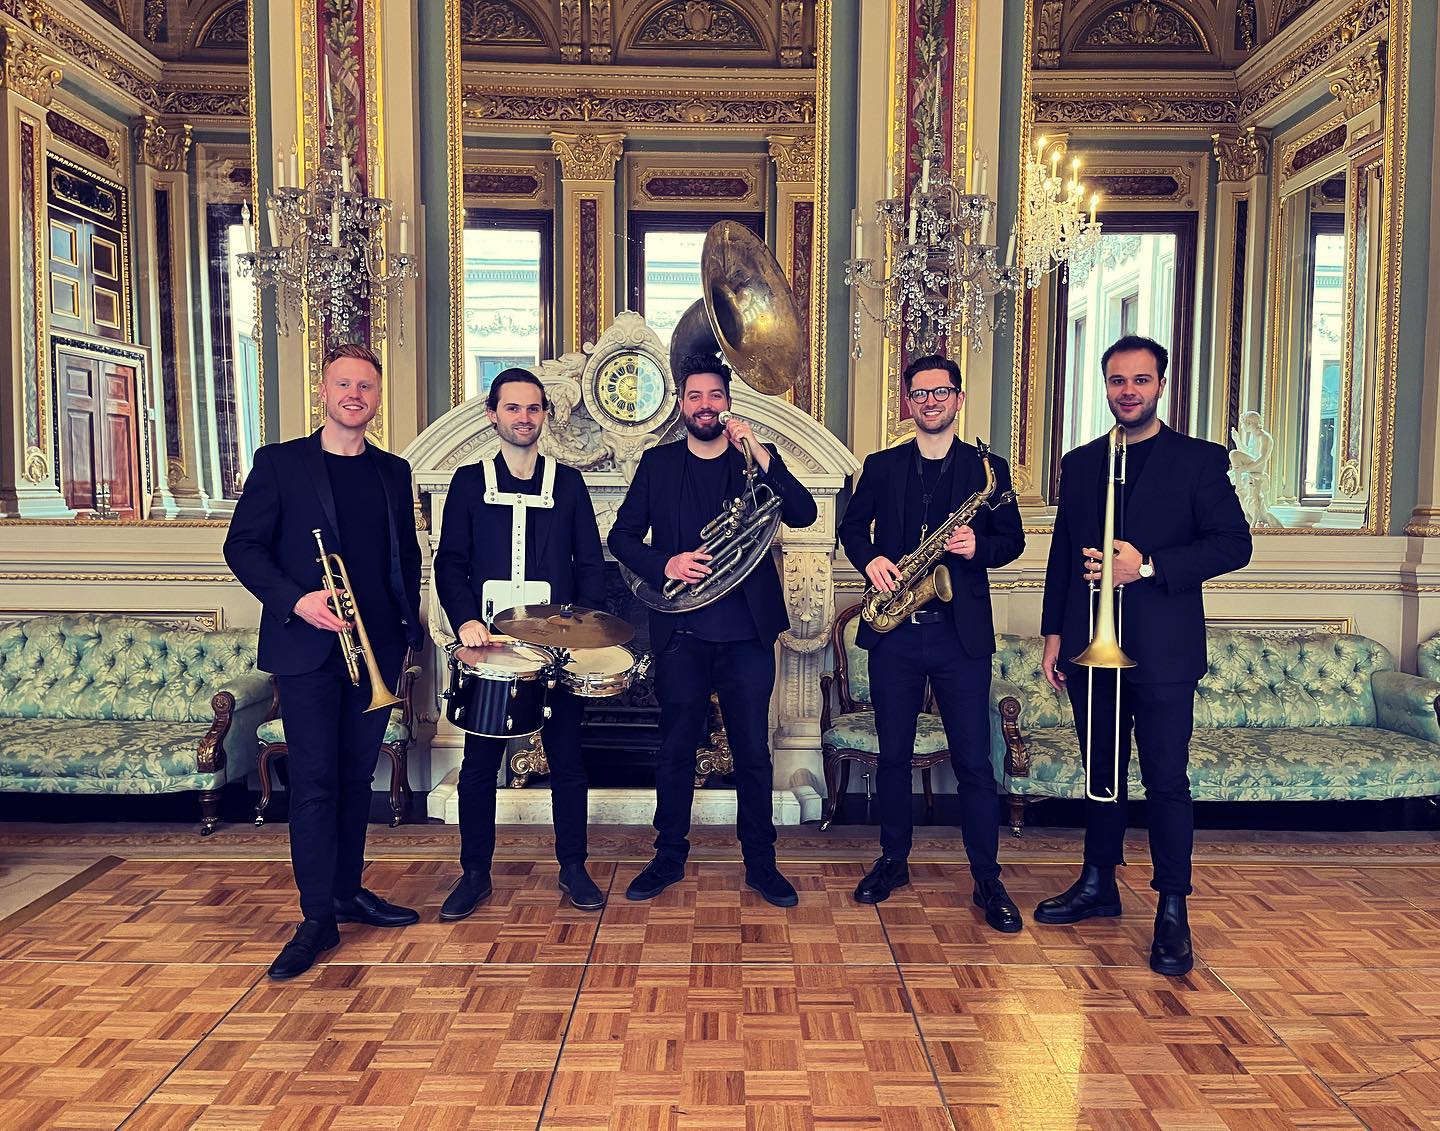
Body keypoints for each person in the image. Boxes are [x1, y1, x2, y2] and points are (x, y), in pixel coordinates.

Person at [1036, 333, 1252, 976]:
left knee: (1165, 781)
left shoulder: (1199, 461)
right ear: (1105, 387)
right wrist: (1054, 634)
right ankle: (1098, 883)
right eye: (1116, 381)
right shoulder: (1079, 464)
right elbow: (1061, 558)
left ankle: (1172, 909)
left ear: (1161, 384)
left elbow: (1233, 545)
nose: (1127, 391)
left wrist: (1148, 567)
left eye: (1139, 380)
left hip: (1162, 651)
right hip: (1090, 649)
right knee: (1100, 775)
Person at [224, 342, 423, 981]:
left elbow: (405, 560)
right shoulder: (280, 464)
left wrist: (408, 632)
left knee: (354, 777)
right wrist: (297, 601)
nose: (354, 395)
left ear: (376, 396)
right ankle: (315, 916)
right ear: (323, 391)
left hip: (375, 653)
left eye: (366, 386)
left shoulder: (393, 472)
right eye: (343, 384)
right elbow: (243, 547)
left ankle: (345, 892)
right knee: (312, 783)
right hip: (309, 649)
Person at [608, 352, 818, 906]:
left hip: (747, 633)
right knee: (675, 747)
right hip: (681, 631)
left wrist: (763, 453)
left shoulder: (752, 465)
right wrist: (666, 564)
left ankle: (761, 863)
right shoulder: (658, 464)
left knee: (752, 750)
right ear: (682, 404)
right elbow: (622, 538)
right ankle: (668, 855)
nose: (706, 405)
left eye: (715, 396)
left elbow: (802, 514)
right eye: (695, 396)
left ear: (729, 404)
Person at [837, 354, 1026, 929]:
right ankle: (894, 861)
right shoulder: (883, 464)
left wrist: (978, 549)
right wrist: (870, 561)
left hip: (959, 636)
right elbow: (850, 528)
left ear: (958, 399)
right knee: (892, 757)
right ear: (907, 402)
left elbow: (1012, 540)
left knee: (972, 761)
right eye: (919, 394)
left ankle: (986, 878)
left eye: (940, 392)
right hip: (896, 631)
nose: (930, 402)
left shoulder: (987, 471)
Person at [432, 368, 607, 918]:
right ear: (493, 414)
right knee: (481, 763)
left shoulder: (570, 483)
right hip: (488, 649)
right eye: (513, 408)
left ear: (544, 416)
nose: (524, 418)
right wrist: (464, 621)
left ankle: (573, 868)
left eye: (534, 409)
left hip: (555, 651)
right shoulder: (466, 481)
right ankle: (474, 873)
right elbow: (450, 563)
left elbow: (591, 567)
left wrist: (579, 632)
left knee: (568, 761)